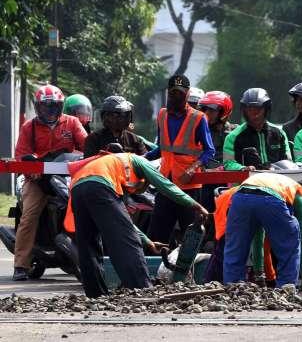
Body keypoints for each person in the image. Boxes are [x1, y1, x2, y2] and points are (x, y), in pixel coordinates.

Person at [67, 152, 208, 297]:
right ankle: (142, 289)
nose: (141, 189)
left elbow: (124, 223)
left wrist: (148, 242)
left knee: (88, 244)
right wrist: (194, 204)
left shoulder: (114, 170)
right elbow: (165, 185)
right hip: (99, 186)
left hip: (77, 188)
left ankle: (95, 294)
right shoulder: (139, 161)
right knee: (128, 242)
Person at [12, 84, 87, 281]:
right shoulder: (29, 127)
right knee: (29, 215)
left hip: (67, 176)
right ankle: (21, 265)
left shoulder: (72, 123)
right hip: (38, 180)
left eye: (54, 106)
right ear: (38, 107)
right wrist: (32, 169)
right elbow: (20, 156)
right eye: (46, 107)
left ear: (61, 106)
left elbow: (88, 147)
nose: (50, 110)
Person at [145, 74, 215, 244]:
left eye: (180, 93)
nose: (176, 97)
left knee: (190, 235)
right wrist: (141, 159)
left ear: (187, 93)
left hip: (188, 186)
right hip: (165, 184)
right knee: (157, 234)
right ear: (168, 93)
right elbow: (162, 148)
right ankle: (156, 269)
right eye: (173, 93)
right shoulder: (162, 115)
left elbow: (209, 151)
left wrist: (192, 169)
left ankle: (190, 269)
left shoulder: (198, 118)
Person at [222, 173, 302, 288]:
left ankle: (232, 286)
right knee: (289, 244)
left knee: (235, 246)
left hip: (240, 197)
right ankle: (286, 287)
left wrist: (259, 274)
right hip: (271, 199)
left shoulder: (279, 182)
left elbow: (258, 237)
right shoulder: (301, 198)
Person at [223, 88, 292, 171]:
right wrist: (243, 168)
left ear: (266, 109)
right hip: (246, 182)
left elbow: (288, 161)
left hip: (277, 181)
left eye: (258, 110)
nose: (255, 115)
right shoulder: (232, 137)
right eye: (250, 110)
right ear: (245, 111)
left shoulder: (279, 133)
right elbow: (228, 163)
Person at [196, 91, 237, 211]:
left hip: (230, 183)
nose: (207, 113)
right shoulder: (198, 130)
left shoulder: (236, 132)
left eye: (212, 110)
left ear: (224, 111)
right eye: (205, 110)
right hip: (204, 183)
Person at [83, 95, 147, 157]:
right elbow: (88, 164)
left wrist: (124, 155)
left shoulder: (135, 140)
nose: (122, 119)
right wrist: (106, 153)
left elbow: (146, 162)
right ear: (105, 116)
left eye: (125, 115)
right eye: (116, 115)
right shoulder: (93, 139)